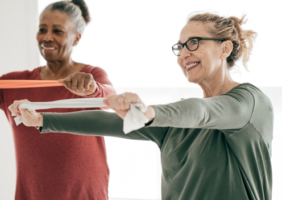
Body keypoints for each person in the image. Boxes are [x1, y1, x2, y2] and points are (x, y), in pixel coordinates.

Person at [10, 13, 273, 200]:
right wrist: (43, 120)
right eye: (180, 47)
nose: (183, 54)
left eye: (194, 43)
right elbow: (110, 122)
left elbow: (205, 112)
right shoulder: (178, 121)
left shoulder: (250, 103)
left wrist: (149, 113)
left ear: (224, 48)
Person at [1, 0, 116, 200]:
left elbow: (110, 97)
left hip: (85, 193)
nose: (47, 37)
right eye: (42, 29)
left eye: (58, 31)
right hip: (33, 193)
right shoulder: (13, 82)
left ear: (76, 38)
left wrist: (91, 89)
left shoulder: (91, 75)